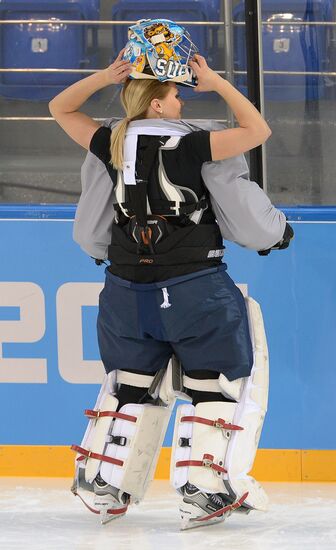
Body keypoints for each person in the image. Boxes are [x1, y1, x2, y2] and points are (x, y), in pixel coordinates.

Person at [49, 19, 292, 530]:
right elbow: (258, 131)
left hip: (122, 290)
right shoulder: (190, 145)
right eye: (177, 95)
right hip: (193, 288)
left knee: (131, 383)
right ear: (157, 103)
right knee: (216, 383)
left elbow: (59, 107)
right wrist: (218, 82)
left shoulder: (109, 142)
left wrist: (105, 76)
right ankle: (204, 489)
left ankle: (103, 478)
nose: (183, 100)